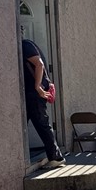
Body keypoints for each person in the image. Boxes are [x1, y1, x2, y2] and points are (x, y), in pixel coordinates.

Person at [21, 38, 65, 168]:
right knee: (31, 123)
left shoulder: (25, 45)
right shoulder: (28, 45)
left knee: (42, 123)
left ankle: (56, 157)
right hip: (31, 94)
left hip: (35, 94)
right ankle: (54, 155)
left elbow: (39, 64)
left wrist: (37, 86)